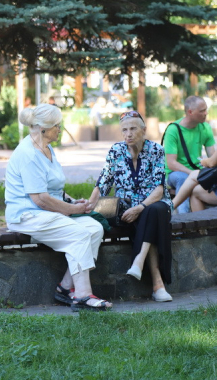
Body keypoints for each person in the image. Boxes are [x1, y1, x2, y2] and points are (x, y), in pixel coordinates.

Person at [5, 103, 112, 311]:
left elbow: (53, 189)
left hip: (45, 212)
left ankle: (65, 288)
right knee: (79, 233)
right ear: (43, 128)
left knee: (94, 228)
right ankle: (82, 297)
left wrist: (72, 202)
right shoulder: (29, 154)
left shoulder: (47, 148)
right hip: (27, 215)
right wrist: (72, 210)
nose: (60, 129)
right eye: (57, 125)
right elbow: (40, 199)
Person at [89, 110, 174, 302]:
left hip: (153, 206)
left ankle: (140, 262)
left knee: (153, 211)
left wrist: (141, 207)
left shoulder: (156, 150)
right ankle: (157, 284)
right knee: (148, 219)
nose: (128, 134)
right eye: (124, 130)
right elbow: (103, 183)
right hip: (126, 210)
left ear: (144, 130)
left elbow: (159, 190)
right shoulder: (116, 151)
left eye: (133, 129)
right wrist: (88, 205)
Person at [163, 96, 216, 214]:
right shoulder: (173, 130)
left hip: (196, 171)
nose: (206, 113)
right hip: (174, 174)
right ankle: (184, 220)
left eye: (206, 110)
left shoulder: (205, 127)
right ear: (190, 112)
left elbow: (212, 156)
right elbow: (171, 163)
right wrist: (192, 174)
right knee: (183, 179)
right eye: (202, 111)